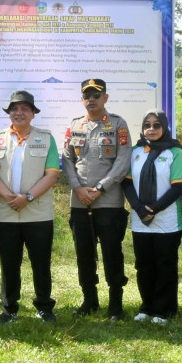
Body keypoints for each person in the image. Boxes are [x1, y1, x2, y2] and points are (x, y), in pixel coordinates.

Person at [0, 90, 62, 322]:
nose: (19, 113)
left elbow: (52, 175)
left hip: (38, 213)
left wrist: (26, 197)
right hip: (6, 213)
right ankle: (9, 308)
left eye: (24, 109)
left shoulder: (46, 138)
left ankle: (44, 306)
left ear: (33, 114)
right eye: (15, 109)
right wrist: (10, 197)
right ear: (9, 113)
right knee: (9, 263)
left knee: (41, 262)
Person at [61, 79, 132, 320]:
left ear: (105, 98)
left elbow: (123, 161)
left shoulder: (118, 124)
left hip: (109, 201)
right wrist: (78, 188)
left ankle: (115, 305)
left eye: (96, 94)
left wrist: (101, 187)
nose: (91, 99)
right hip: (79, 201)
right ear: (82, 99)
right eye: (86, 95)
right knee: (84, 251)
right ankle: (89, 300)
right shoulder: (74, 125)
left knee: (112, 251)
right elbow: (67, 160)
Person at [122, 109, 182, 324]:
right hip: (141, 220)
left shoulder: (175, 152)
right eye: (147, 125)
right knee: (144, 265)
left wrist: (153, 210)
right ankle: (146, 307)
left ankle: (163, 310)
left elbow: (178, 186)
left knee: (165, 265)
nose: (151, 129)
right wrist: (140, 209)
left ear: (165, 127)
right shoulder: (135, 151)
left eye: (156, 125)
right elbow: (127, 182)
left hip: (167, 220)